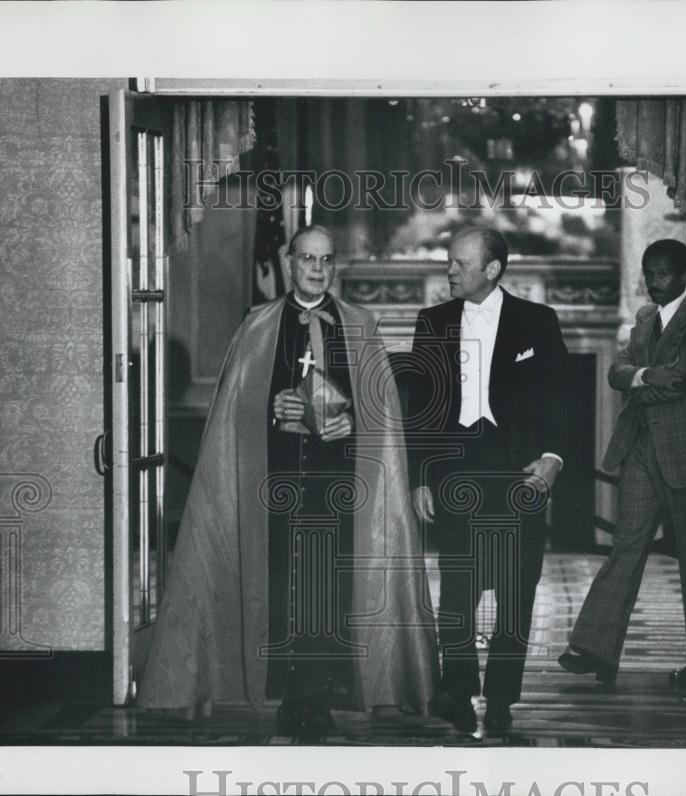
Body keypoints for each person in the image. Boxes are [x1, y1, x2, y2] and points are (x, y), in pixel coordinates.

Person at [138, 225, 439, 738]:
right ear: (287, 261)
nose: (317, 269)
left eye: (326, 260)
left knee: (328, 589)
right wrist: (272, 407)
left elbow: (383, 413)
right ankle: (291, 694)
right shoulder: (257, 326)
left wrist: (356, 423)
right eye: (307, 259)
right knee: (283, 589)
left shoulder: (361, 324)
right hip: (274, 486)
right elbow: (237, 410)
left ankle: (319, 695)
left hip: (341, 489)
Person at [407, 227, 570, 734]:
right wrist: (422, 478)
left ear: (493, 269)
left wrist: (553, 458)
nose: (449, 271)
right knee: (457, 591)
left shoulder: (537, 322)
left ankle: (501, 699)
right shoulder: (431, 323)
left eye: (459, 263)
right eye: (449, 261)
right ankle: (456, 693)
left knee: (517, 591)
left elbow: (562, 400)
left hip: (519, 475)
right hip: (455, 474)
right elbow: (421, 410)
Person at [558, 238, 686, 690]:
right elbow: (615, 372)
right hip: (640, 448)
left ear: (685, 277)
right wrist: (645, 376)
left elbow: (680, 381)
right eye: (649, 273)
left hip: (681, 454)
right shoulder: (644, 318)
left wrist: (640, 380)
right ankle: (595, 650)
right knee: (626, 546)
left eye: (663, 274)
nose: (655, 282)